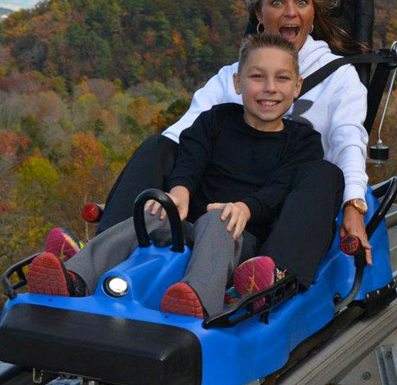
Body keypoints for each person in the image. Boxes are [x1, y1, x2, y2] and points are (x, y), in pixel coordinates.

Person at [93, 0, 372, 288]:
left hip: (287, 204)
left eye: (301, 2)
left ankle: (272, 277)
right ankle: (102, 250)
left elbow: (348, 141)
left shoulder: (339, 77)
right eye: (277, 2)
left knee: (325, 172)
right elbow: (183, 135)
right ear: (259, 13)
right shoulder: (233, 77)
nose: (290, 12)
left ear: (313, 14)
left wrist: (354, 204)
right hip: (219, 204)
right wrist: (177, 189)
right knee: (159, 146)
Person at [27, 33, 332, 318]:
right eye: (256, 76)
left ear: (297, 86)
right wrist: (179, 191)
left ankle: (197, 298)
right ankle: (76, 276)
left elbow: (281, 188)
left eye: (282, 78)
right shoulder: (216, 120)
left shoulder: (302, 141)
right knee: (154, 211)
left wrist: (246, 207)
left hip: (241, 241)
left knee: (219, 218)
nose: (269, 87)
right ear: (238, 83)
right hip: (188, 230)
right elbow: (190, 156)